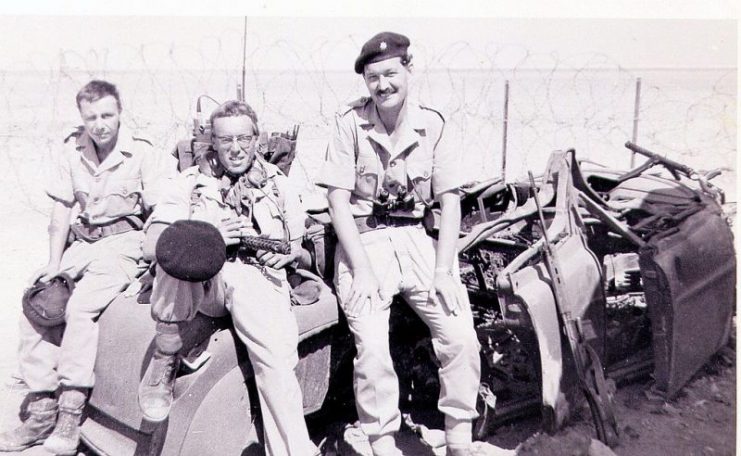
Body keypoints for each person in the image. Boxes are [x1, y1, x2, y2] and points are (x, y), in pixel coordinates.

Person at [316, 31, 482, 456]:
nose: (383, 85)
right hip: (364, 241)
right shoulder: (349, 124)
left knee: (460, 332)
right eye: (373, 78)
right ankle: (382, 440)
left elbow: (449, 203)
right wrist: (363, 271)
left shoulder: (434, 125)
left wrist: (445, 272)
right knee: (371, 345)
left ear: (409, 69)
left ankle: (460, 436)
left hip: (416, 242)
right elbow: (337, 201)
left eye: (391, 73)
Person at [0, 80, 176, 455]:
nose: (99, 124)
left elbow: (163, 209)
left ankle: (70, 412)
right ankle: (43, 408)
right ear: (82, 117)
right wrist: (51, 264)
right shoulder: (72, 151)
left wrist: (152, 261)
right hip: (83, 243)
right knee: (38, 300)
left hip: (125, 246)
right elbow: (61, 210)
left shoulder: (142, 154)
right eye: (91, 116)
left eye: (107, 115)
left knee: (80, 310)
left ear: (120, 112)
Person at [137, 100, 319, 456]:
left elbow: (301, 248)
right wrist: (207, 235)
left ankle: (293, 450)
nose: (236, 149)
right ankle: (165, 358)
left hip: (256, 278)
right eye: (226, 140)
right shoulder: (190, 183)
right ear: (212, 143)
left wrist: (289, 254)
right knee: (181, 249)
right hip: (206, 283)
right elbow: (151, 245)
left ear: (257, 138)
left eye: (244, 138)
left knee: (276, 361)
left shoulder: (278, 185)